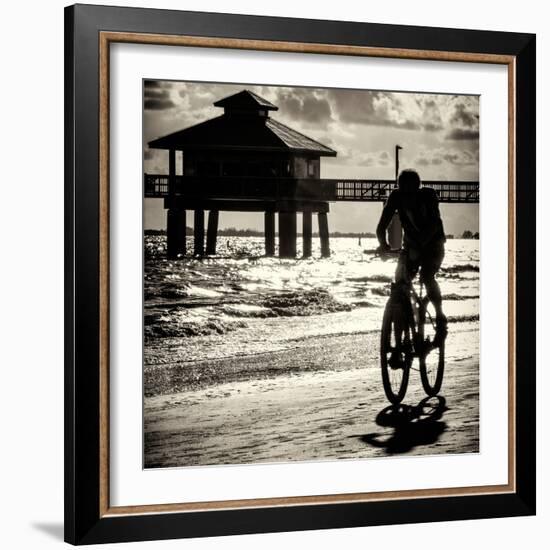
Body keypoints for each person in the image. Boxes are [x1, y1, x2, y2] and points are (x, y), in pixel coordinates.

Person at [376, 169, 447, 343]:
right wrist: (383, 244)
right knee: (400, 283)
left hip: (434, 245)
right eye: (403, 190)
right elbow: (382, 225)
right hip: (411, 246)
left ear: (418, 187)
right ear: (399, 187)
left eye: (411, 191)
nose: (407, 195)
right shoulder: (396, 197)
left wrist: (420, 246)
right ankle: (399, 342)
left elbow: (434, 224)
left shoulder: (428, 196)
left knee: (427, 277)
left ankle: (440, 316)